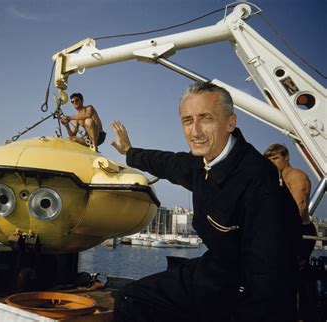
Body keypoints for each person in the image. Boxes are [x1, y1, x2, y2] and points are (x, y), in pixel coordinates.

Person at [111, 81, 301, 322]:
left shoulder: (258, 180)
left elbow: (270, 276)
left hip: (247, 286)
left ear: (230, 123)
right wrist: (129, 152)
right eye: (187, 120)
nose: (195, 131)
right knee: (131, 299)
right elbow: (165, 162)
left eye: (206, 118)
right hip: (215, 268)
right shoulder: (201, 164)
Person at [264, 143, 317, 322]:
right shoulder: (276, 179)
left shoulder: (295, 176)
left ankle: (302, 316)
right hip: (284, 232)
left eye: (276, 158)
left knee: (296, 275)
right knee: (281, 275)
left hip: (299, 232)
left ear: (286, 157)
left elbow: (299, 207)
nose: (272, 162)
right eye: (269, 160)